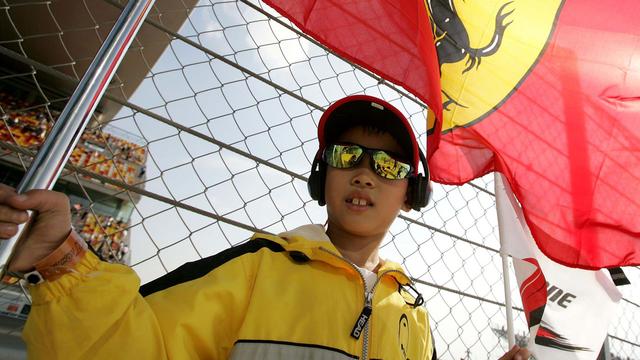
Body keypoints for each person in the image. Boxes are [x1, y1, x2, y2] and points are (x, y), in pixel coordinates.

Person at [0, 95, 529, 359]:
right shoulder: (256, 269)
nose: (366, 172)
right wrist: (61, 260)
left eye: (389, 165)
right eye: (348, 155)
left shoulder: (412, 309)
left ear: (411, 194)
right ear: (324, 175)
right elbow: (136, 344)